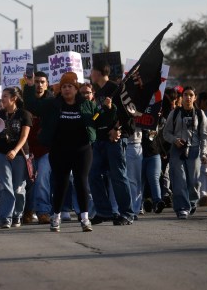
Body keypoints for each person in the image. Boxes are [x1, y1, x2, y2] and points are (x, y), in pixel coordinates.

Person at [27, 72, 112, 232]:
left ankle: (85, 218)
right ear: (60, 89)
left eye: (70, 86)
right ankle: (56, 217)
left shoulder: (87, 105)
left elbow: (98, 120)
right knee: (61, 183)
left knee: (81, 182)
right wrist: (30, 84)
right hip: (59, 150)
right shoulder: (52, 104)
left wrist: (107, 109)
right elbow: (32, 105)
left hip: (82, 150)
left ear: (76, 88)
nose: (67, 89)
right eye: (64, 86)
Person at [88, 61, 135, 225]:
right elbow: (97, 116)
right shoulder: (98, 92)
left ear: (99, 72)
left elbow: (128, 112)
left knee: (118, 176)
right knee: (93, 175)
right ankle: (104, 211)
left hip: (114, 140)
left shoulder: (116, 88)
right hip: (100, 140)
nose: (90, 73)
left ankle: (127, 213)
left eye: (92, 70)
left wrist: (117, 128)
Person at [163, 86, 207, 219]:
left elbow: (205, 136)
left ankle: (191, 202)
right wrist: (175, 140)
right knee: (179, 180)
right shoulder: (174, 113)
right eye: (185, 95)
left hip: (194, 150)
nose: (188, 97)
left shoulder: (200, 115)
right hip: (177, 150)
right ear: (181, 97)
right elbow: (166, 133)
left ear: (195, 97)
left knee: (193, 181)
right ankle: (182, 208)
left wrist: (204, 154)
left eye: (191, 95)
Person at [0, 87, 32, 229]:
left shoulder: (24, 114)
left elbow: (24, 137)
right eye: (2, 96)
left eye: (5, 96)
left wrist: (15, 151)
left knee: (18, 187)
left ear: (13, 98)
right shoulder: (0, 114)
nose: (2, 99)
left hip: (20, 154)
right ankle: (6, 217)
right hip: (1, 153)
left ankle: (17, 215)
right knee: (5, 186)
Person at [23, 71, 54, 225]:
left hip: (45, 149)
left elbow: (36, 106)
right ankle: (28, 210)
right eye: (36, 82)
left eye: (42, 82)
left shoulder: (52, 101)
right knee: (29, 181)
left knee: (42, 179)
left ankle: (43, 211)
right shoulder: (25, 102)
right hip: (27, 149)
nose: (39, 85)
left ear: (47, 84)